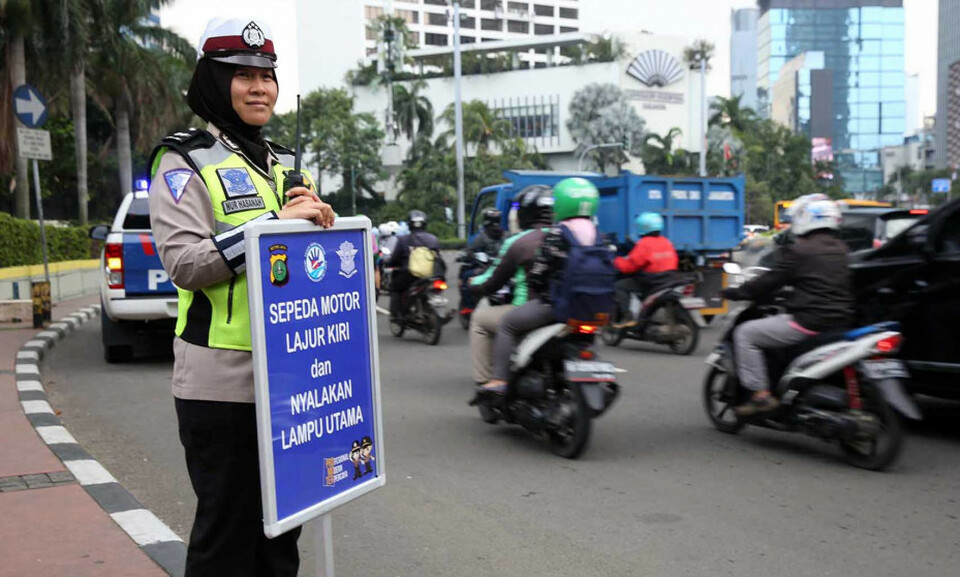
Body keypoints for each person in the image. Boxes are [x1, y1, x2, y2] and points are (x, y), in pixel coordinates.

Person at [148, 18, 334, 577]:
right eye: (242, 75)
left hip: (290, 378)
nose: (260, 88)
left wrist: (324, 226)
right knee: (227, 542)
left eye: (267, 76)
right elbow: (184, 264)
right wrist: (273, 225)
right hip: (221, 385)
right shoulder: (183, 161)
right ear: (212, 81)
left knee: (281, 538)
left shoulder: (279, 163)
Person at [721, 194, 854, 416]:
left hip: (808, 322)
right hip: (841, 321)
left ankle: (761, 395)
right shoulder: (842, 249)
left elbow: (770, 280)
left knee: (745, 334)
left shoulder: (802, 249)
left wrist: (737, 292)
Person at [478, 177, 601, 395]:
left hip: (556, 305)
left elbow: (539, 273)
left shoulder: (556, 235)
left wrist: (537, 283)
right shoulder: (597, 235)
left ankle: (498, 380)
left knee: (507, 324)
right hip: (590, 305)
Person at [467, 186, 553, 384]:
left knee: (480, 320)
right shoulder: (565, 236)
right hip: (565, 308)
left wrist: (473, 284)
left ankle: (486, 382)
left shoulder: (517, 241)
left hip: (529, 307)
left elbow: (492, 281)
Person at [611, 212, 678, 328]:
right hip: (668, 278)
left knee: (619, 286)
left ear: (643, 227)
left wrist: (616, 261)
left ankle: (627, 316)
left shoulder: (644, 244)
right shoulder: (666, 241)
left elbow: (630, 266)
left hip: (651, 281)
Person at [385, 210, 442, 319]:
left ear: (409, 225)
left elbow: (395, 257)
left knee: (395, 286)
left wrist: (389, 264)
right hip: (432, 275)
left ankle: (397, 314)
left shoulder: (403, 240)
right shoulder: (433, 239)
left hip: (410, 275)